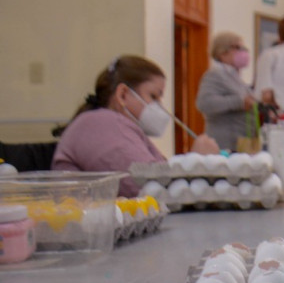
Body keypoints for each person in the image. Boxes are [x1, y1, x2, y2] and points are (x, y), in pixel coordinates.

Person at [52, 55, 219, 196]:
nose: (159, 107)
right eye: (153, 96)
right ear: (123, 95)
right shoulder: (101, 124)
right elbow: (148, 186)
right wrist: (199, 161)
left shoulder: (115, 125)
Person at [195, 32, 258, 150]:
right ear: (222, 52)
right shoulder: (214, 75)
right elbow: (204, 103)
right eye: (237, 48)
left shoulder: (236, 78)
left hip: (242, 145)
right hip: (225, 145)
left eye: (243, 48)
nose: (243, 52)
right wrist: (239, 102)